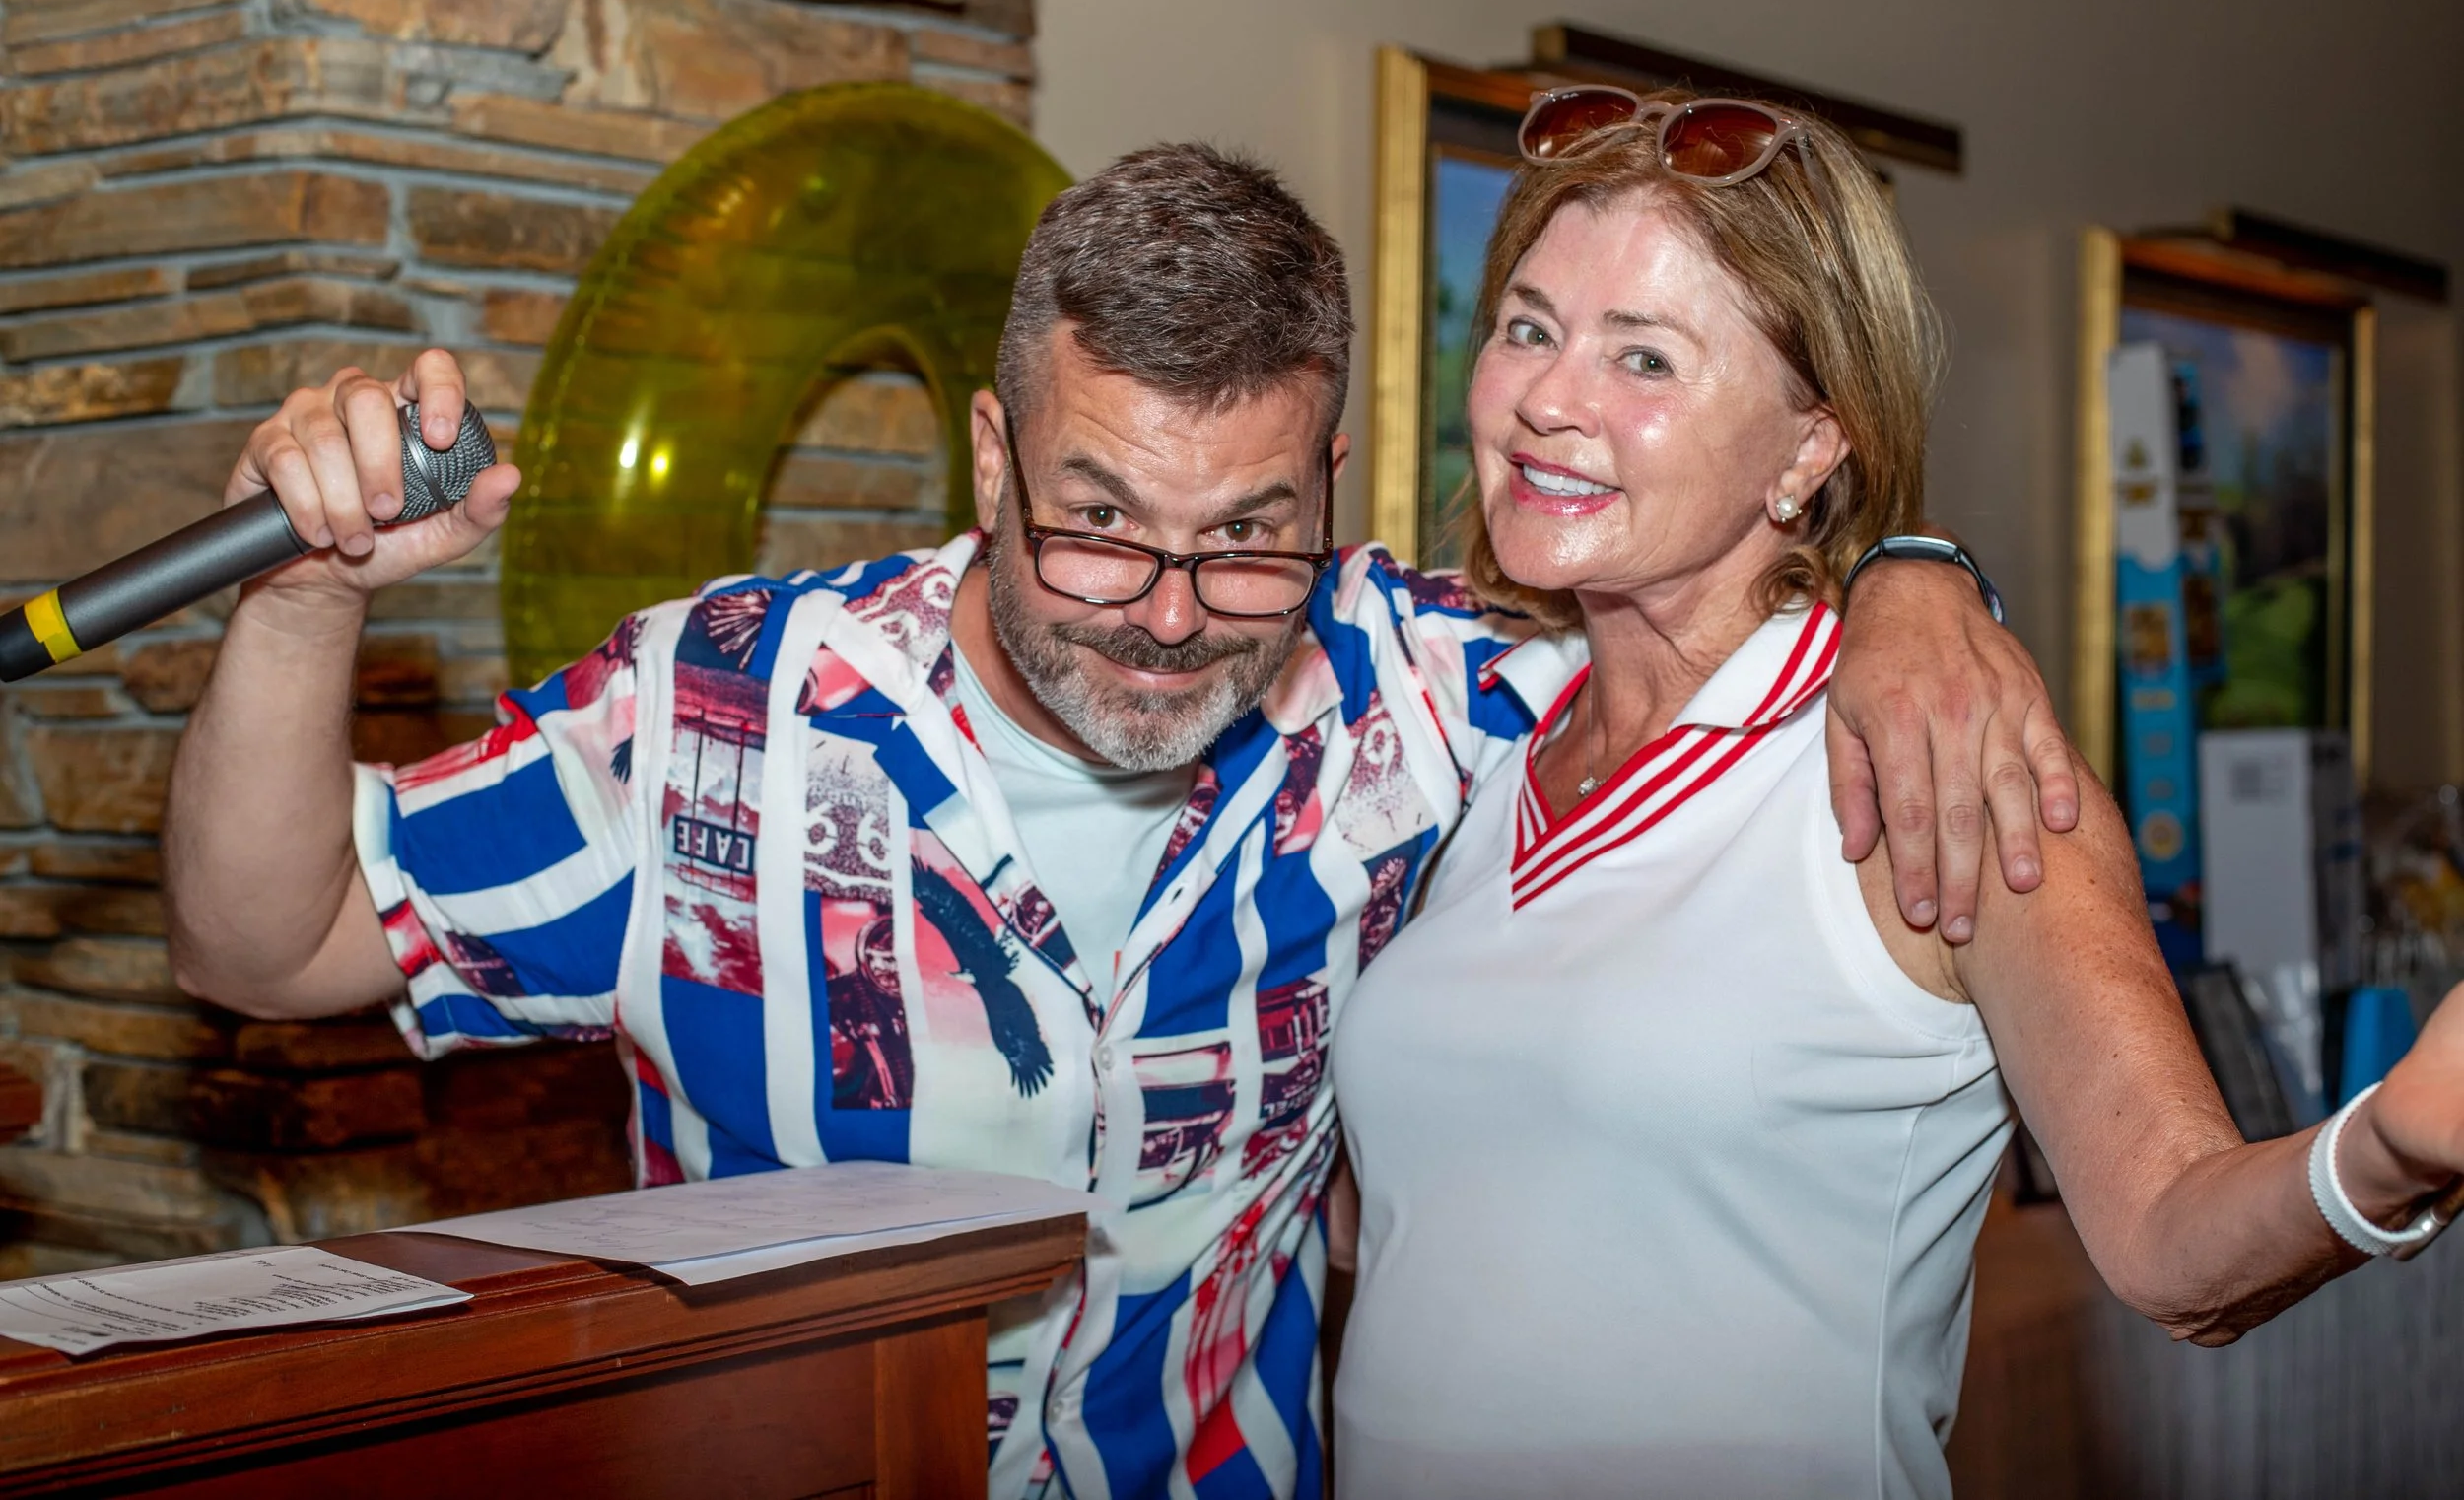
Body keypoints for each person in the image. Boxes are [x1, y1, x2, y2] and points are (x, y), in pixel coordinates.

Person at [163, 143, 2068, 1500]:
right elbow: (266, 940)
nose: (1165, 613)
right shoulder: (719, 711)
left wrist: (1915, 574)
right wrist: (308, 600)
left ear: (1331, 484)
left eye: (1247, 537)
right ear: (991, 454)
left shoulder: (1422, 693)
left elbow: (1718, 589)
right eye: (1096, 522)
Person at [1327, 88, 2464, 1499]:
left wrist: (2391, 1145)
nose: (1550, 399)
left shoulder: (1929, 758)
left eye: (1646, 357)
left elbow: (2175, 1240)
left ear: (1810, 448)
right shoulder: (1477, 736)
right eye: (1529, 327)